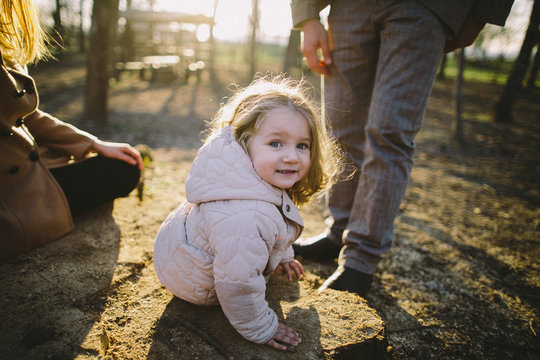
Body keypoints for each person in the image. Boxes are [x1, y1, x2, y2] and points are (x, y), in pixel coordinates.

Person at [291, 0, 514, 296]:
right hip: (349, 8)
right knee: (339, 128)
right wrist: (306, 15)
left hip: (427, 8)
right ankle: (339, 230)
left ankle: (361, 259)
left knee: (390, 133)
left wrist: (482, 14)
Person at [153, 77, 343, 350]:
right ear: (245, 142)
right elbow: (237, 283)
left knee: (241, 245)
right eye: (276, 143)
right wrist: (263, 327)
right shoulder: (245, 217)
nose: (291, 156)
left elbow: (276, 223)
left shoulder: (259, 177)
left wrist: (283, 255)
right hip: (191, 278)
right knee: (241, 258)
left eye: (302, 145)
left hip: (188, 241)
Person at [1, 0, 144, 259]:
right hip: (11, 191)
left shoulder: (6, 42)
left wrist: (93, 143)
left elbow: (28, 117)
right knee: (122, 170)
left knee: (126, 165)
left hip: (35, 166)